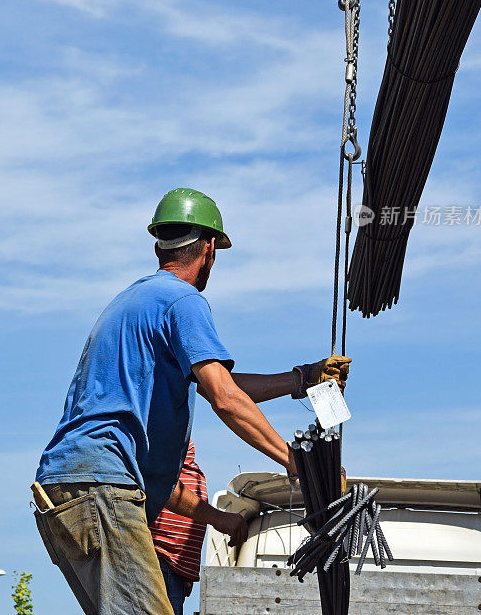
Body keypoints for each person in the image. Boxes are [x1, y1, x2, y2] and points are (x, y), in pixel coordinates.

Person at [32, 188, 351, 615]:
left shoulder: (137, 301)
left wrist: (301, 379)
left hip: (65, 493)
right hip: (101, 492)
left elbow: (219, 384)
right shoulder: (184, 301)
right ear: (210, 248)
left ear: (158, 244)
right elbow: (224, 397)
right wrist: (297, 462)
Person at [149, 440, 207, 615]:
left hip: (174, 568)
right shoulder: (160, 447)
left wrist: (186, 573)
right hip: (161, 561)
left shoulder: (182, 459)